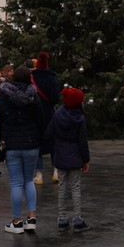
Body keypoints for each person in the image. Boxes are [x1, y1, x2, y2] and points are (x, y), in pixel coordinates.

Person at [0, 64, 44, 234]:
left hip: (11, 144)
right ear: (29, 79)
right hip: (31, 143)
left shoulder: (3, 96)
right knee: (29, 180)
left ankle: (17, 221)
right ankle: (32, 218)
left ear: (13, 78)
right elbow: (41, 120)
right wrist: (39, 139)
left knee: (16, 182)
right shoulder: (34, 96)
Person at [45, 86, 91, 232]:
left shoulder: (57, 114)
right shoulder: (80, 118)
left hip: (60, 155)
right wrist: (86, 160)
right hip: (75, 156)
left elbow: (49, 133)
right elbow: (83, 141)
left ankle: (62, 219)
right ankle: (77, 219)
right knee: (75, 188)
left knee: (62, 187)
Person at [31, 51, 60, 184]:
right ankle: (56, 171)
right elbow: (55, 98)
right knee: (54, 142)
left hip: (35, 114)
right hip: (49, 114)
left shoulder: (32, 78)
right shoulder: (51, 78)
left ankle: (39, 174)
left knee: (37, 143)